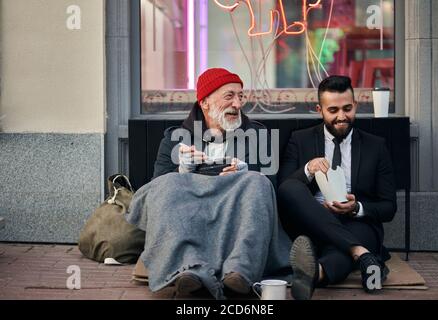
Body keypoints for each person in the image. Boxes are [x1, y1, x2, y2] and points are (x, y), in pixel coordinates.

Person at [126, 68, 291, 300]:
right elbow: (157, 187)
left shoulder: (257, 134)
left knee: (257, 183)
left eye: (240, 96)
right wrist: (183, 170)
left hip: (234, 209)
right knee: (166, 186)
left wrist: (245, 172)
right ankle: (189, 271)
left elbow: (269, 186)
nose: (237, 103)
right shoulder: (175, 137)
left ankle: (240, 271)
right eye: (229, 96)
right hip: (191, 210)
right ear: (204, 102)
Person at [278, 75, 397, 300]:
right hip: (311, 221)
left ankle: (316, 274)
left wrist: (357, 208)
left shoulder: (376, 146)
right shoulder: (299, 139)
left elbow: (389, 207)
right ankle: (361, 254)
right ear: (319, 110)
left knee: (344, 243)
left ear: (356, 106)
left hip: (356, 223)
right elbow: (284, 189)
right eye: (333, 110)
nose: (342, 117)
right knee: (291, 187)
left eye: (347, 108)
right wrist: (308, 170)